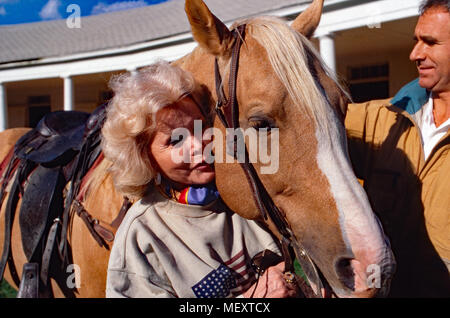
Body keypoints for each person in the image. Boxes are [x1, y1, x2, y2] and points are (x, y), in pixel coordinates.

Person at [101, 61, 298, 298]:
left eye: (200, 127)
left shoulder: (252, 185)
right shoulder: (141, 236)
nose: (198, 146)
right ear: (146, 158)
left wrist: (294, 274)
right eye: (175, 140)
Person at [345, 0, 450, 297]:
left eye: (429, 43)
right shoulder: (382, 119)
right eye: (416, 41)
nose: (415, 54)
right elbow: (305, 129)